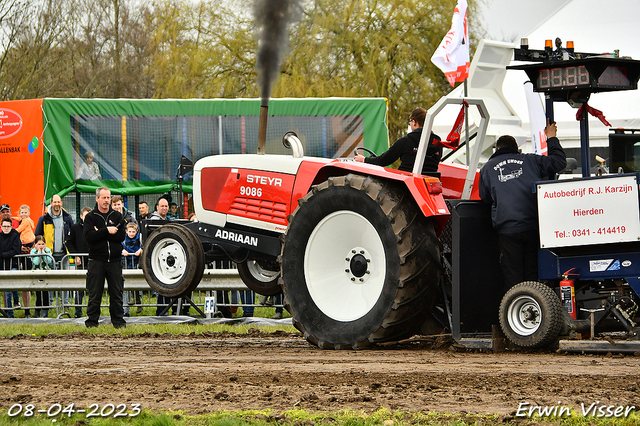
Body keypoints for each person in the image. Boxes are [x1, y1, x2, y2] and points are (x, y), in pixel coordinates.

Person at [479, 120, 566, 292]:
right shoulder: (531, 160)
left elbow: (485, 198)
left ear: (496, 149)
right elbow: (559, 163)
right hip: (533, 227)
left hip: (507, 229)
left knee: (512, 275)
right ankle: (536, 311)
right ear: (517, 149)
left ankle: (516, 313)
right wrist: (551, 138)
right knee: (533, 274)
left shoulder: (487, 168)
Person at [83, 187, 126, 328]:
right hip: (97, 261)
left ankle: (119, 323)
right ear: (97, 199)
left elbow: (120, 236)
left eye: (108, 198)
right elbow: (89, 237)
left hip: (114, 261)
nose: (106, 201)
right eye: (104, 198)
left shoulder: (117, 216)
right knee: (95, 294)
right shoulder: (90, 217)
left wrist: (99, 232)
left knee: (117, 294)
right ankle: (92, 323)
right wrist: (107, 230)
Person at [354, 107, 442, 174]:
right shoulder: (438, 142)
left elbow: (384, 160)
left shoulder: (406, 141)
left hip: (405, 183)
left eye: (410, 122)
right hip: (429, 183)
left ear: (414, 122)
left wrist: (364, 160)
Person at [35, 194, 74, 315]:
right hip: (49, 254)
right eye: (54, 202)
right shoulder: (44, 218)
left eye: (59, 202)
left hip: (64, 253)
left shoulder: (67, 218)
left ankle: (65, 303)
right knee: (50, 280)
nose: (57, 204)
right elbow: (37, 235)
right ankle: (50, 303)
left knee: (65, 280)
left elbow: (72, 234)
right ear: (51, 203)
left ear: (61, 203)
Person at [66, 206, 92, 318]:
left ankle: (92, 312)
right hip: (80, 262)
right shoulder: (75, 228)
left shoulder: (94, 228)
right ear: (81, 216)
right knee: (79, 288)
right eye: (85, 216)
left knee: (93, 288)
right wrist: (76, 255)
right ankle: (78, 312)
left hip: (93, 261)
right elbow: (69, 242)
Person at [14, 204, 35, 316]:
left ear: (28, 213)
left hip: (26, 243)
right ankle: (26, 308)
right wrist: (13, 218)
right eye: (21, 213)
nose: (23, 215)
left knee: (26, 281)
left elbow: (18, 230)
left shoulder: (26, 221)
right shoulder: (23, 219)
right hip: (23, 245)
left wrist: (12, 233)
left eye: (25, 213)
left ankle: (27, 308)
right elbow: (18, 219)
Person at [0, 218, 21, 317]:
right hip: (2, 266)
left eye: (8, 226)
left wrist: (3, 255)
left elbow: (16, 250)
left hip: (13, 265)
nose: (6, 228)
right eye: (4, 226)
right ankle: (10, 314)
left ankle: (16, 300)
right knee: (7, 292)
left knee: (12, 285)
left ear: (11, 226)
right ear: (1, 226)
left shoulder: (15, 235)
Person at [121, 222, 143, 316]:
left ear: (136, 231)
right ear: (126, 231)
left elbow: (144, 245)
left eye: (133, 231)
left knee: (137, 284)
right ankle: (126, 310)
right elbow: (119, 246)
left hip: (137, 263)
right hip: (127, 263)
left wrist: (140, 250)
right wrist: (122, 250)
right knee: (126, 286)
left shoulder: (140, 238)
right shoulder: (123, 239)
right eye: (129, 231)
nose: (131, 233)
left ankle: (138, 300)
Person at [31, 235, 54, 318]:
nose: (41, 246)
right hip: (36, 274)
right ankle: (37, 312)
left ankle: (45, 312)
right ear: (35, 244)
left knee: (45, 293)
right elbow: (36, 262)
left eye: (42, 244)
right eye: (39, 244)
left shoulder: (47, 250)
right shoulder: (33, 251)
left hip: (46, 273)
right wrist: (39, 253)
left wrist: (43, 253)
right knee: (38, 294)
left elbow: (49, 260)